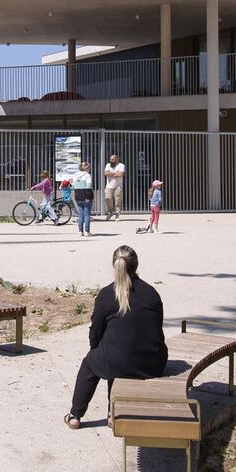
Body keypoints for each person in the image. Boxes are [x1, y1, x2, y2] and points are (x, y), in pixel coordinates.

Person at [64, 246, 167, 428]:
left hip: (119, 361)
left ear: (114, 266)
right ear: (136, 265)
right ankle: (114, 414)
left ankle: (75, 415)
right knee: (116, 352)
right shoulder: (151, 293)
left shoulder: (106, 294)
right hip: (151, 364)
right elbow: (157, 328)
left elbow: (95, 331)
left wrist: (95, 349)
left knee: (96, 361)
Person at [102, 154, 126, 221]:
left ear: (116, 159)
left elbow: (121, 174)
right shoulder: (108, 165)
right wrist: (115, 173)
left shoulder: (121, 165)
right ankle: (110, 212)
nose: (111, 161)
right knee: (107, 198)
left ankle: (117, 214)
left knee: (118, 200)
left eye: (112, 159)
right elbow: (106, 173)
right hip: (109, 185)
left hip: (118, 185)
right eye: (110, 159)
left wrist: (111, 173)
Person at [71, 165, 94, 235]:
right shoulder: (87, 175)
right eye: (89, 168)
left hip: (77, 195)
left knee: (80, 214)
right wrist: (88, 197)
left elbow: (73, 186)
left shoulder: (75, 175)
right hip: (86, 195)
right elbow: (88, 186)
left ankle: (80, 231)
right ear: (87, 168)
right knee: (87, 214)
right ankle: (87, 231)